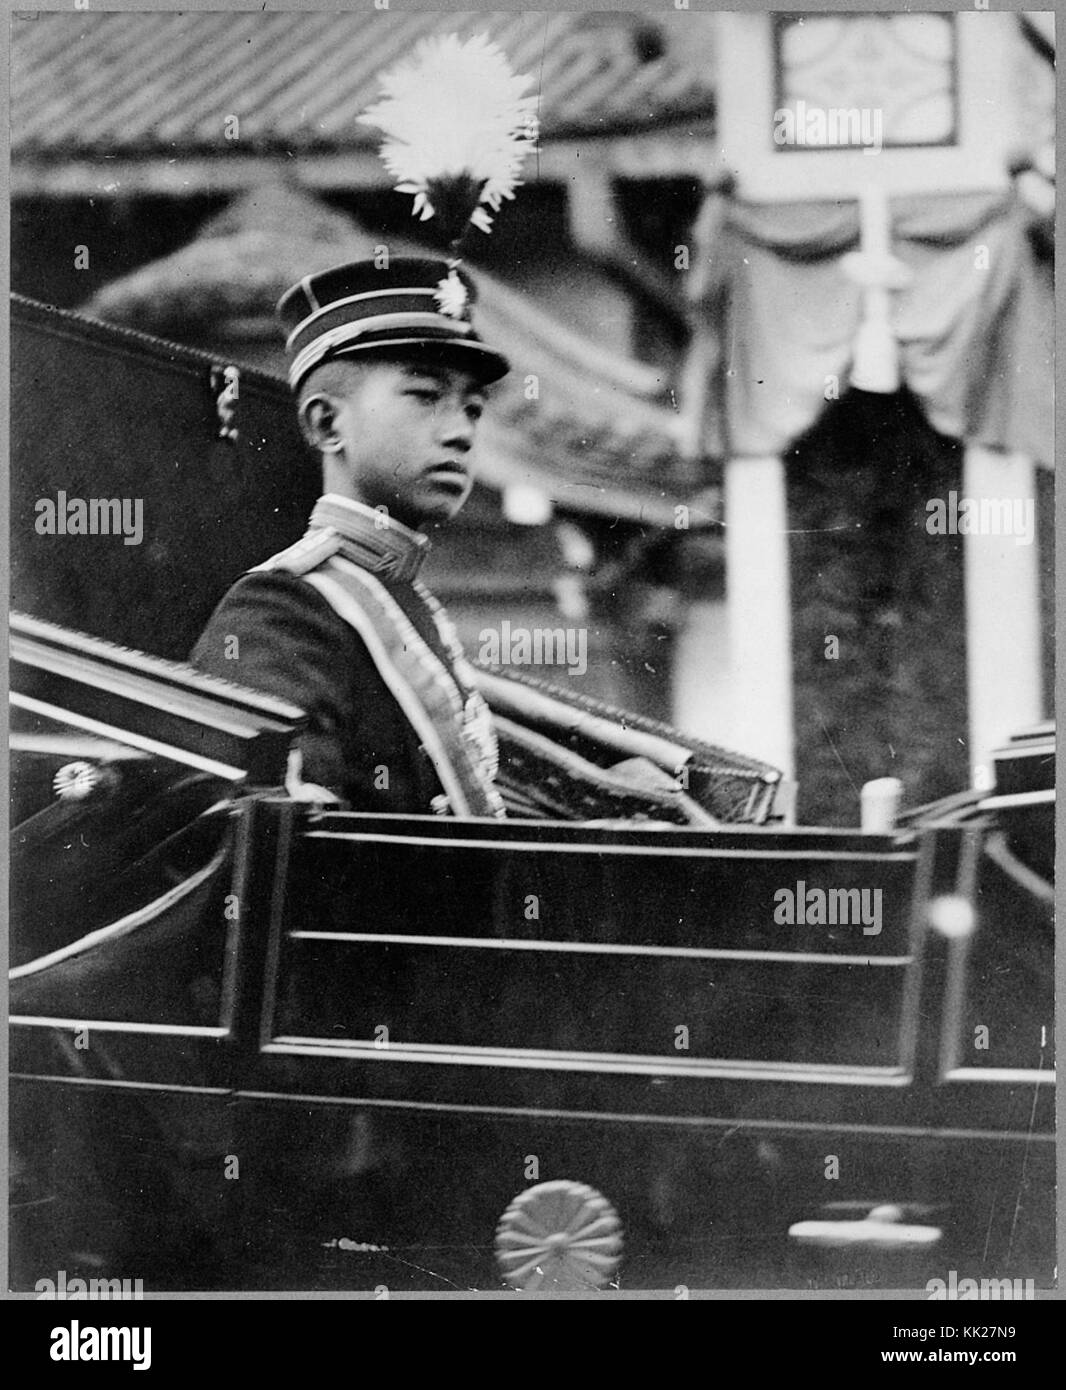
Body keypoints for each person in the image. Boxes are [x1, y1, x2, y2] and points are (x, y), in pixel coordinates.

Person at [191, 257, 509, 817]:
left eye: (473, 408)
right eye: (425, 395)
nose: (460, 432)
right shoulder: (283, 610)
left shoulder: (408, 602)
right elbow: (289, 854)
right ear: (326, 425)